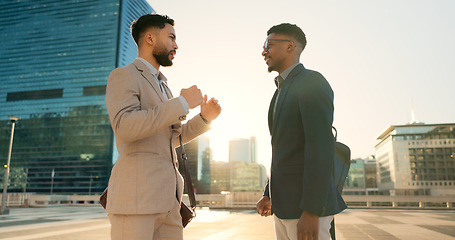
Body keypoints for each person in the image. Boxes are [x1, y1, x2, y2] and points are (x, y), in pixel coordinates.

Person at [105, 14, 221, 240]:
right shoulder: (124, 76)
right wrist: (182, 103)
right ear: (149, 38)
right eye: (171, 38)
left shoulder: (164, 87)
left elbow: (172, 138)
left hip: (170, 204)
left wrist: (204, 118)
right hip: (135, 203)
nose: (176, 45)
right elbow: (125, 126)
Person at [256, 23, 346, 240]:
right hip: (283, 207)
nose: (263, 50)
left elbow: (320, 147)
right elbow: (283, 150)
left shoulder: (311, 82)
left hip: (305, 209)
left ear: (290, 46)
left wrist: (312, 210)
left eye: (269, 44)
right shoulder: (278, 92)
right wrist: (268, 193)